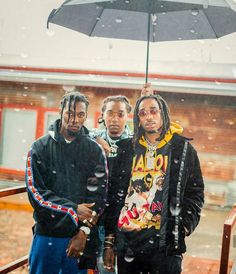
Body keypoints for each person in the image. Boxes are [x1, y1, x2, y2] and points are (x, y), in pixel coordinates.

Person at [104, 93, 204, 274]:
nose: (148, 116)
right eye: (142, 113)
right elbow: (113, 196)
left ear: (163, 114)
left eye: (153, 111)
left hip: (165, 244)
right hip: (128, 243)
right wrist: (110, 241)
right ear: (137, 119)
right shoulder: (127, 148)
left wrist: (185, 226)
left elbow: (195, 193)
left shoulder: (182, 149)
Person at [26, 91, 108, 274]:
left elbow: (100, 196)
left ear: (86, 116)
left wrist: (84, 232)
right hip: (47, 235)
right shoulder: (39, 148)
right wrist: (73, 209)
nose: (74, 120)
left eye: (80, 114)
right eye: (70, 113)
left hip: (79, 237)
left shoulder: (94, 150)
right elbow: (36, 194)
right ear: (60, 111)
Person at [89, 95, 132, 274]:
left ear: (127, 117)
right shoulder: (92, 139)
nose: (115, 118)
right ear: (103, 115)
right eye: (110, 113)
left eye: (120, 114)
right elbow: (71, 132)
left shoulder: (136, 142)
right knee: (101, 267)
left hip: (125, 220)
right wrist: (95, 140)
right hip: (98, 216)